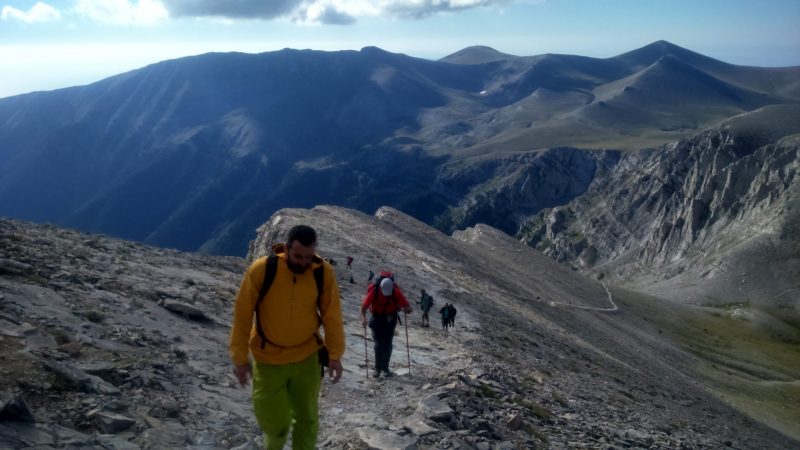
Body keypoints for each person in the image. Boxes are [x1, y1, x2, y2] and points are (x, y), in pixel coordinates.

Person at [229, 225, 345, 450]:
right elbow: (243, 314)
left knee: (307, 419)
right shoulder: (263, 269)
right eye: (298, 256)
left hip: (307, 356)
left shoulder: (322, 272)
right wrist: (239, 358)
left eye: (308, 257)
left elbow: (332, 315)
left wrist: (335, 355)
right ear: (286, 248)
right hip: (268, 358)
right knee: (277, 426)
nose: (303, 262)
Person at [360, 273, 412, 378]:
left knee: (387, 344)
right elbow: (363, 309)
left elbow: (408, 307)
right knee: (379, 344)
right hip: (380, 318)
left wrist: (407, 309)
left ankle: (384, 368)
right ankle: (379, 368)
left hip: (389, 319)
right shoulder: (374, 292)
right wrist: (363, 318)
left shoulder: (396, 292)